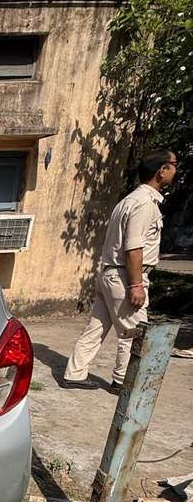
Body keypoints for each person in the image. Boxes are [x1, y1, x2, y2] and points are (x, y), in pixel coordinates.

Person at [62, 150, 178, 393]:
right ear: (161, 170)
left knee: (96, 327)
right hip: (126, 276)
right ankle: (123, 381)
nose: (176, 170)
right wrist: (136, 285)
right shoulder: (144, 204)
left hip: (110, 273)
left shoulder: (128, 201)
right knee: (134, 333)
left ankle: (75, 373)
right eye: (174, 165)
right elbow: (133, 248)